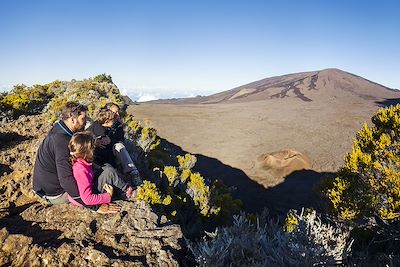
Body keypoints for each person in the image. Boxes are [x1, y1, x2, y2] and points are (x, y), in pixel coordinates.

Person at [32, 102, 120, 214]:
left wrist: (92, 142)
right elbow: (66, 180)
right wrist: (95, 207)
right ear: (72, 120)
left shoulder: (59, 128)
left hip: (44, 188)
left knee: (98, 168)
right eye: (83, 118)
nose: (86, 121)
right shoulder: (62, 142)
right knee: (106, 173)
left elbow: (77, 139)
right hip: (55, 194)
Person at [68, 131, 135, 206]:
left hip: (92, 186)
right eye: (92, 148)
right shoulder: (81, 170)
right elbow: (87, 199)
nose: (94, 149)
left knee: (107, 167)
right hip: (89, 196)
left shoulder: (82, 161)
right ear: (86, 152)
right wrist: (108, 196)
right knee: (109, 172)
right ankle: (127, 191)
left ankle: (122, 189)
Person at [88, 103, 142, 186]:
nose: (118, 114)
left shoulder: (117, 125)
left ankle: (132, 173)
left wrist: (111, 140)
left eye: (118, 112)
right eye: (115, 112)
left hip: (110, 152)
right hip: (96, 156)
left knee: (119, 146)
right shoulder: (97, 126)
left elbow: (120, 141)